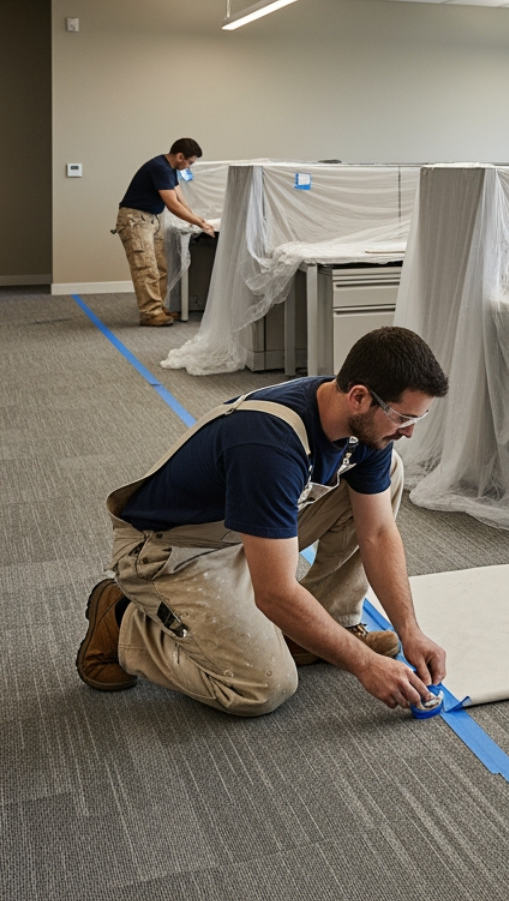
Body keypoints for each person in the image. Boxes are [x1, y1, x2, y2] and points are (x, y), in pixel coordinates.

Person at [76, 326, 450, 716]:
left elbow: (376, 532)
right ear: (359, 397)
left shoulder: (363, 425)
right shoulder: (269, 446)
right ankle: (123, 621)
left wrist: (410, 630)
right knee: (262, 687)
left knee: (388, 470)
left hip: (242, 530)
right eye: (404, 417)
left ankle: (321, 626)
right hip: (173, 550)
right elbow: (273, 593)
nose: (409, 431)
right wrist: (364, 663)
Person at [116, 137, 217, 326]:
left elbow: (179, 198)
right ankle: (150, 314)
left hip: (151, 218)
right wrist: (200, 224)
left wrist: (196, 218)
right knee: (146, 268)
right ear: (180, 156)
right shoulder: (159, 168)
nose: (189, 167)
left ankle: (159, 308)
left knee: (160, 267)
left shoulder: (171, 169)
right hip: (135, 220)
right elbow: (172, 205)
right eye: (189, 162)